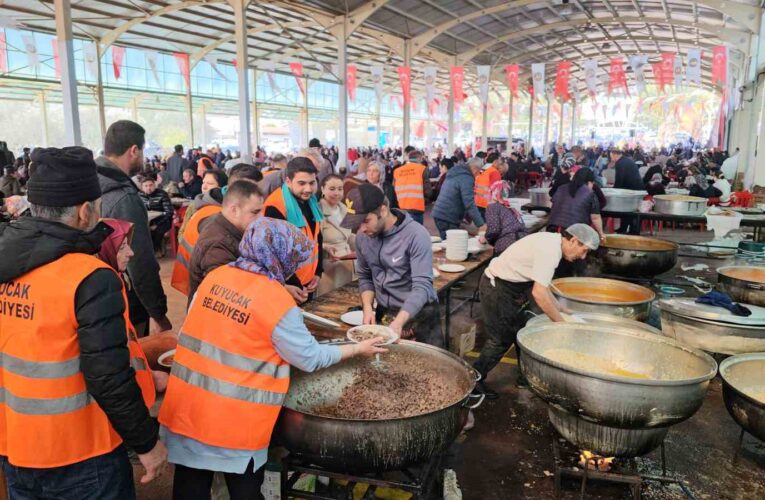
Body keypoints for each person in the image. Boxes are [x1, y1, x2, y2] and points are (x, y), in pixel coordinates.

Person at [159, 218, 385, 500]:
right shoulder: (276, 302)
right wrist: (357, 349)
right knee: (246, 493)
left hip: (187, 410)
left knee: (190, 489)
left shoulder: (215, 278)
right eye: (294, 258)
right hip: (234, 423)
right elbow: (310, 358)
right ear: (281, 256)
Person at [0, 146, 167, 497]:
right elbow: (109, 376)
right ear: (85, 210)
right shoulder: (89, 276)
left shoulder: (6, 264)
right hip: (80, 454)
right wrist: (147, 443)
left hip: (15, 447)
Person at [473, 223, 601, 398]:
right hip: (497, 287)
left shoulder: (553, 243)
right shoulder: (550, 251)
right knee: (501, 339)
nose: (583, 257)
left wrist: (560, 307)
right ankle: (474, 381)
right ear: (574, 240)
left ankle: (524, 377)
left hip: (513, 287)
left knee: (522, 332)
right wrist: (561, 323)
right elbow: (539, 294)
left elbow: (543, 284)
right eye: (584, 250)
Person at [342, 184, 443, 346]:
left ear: (382, 210)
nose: (360, 229)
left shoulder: (416, 235)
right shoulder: (363, 237)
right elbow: (365, 276)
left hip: (419, 313)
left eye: (366, 221)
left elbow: (422, 286)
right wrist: (367, 307)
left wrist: (398, 322)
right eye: (356, 223)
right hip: (384, 310)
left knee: (427, 368)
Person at [96, 120, 172, 335]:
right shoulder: (123, 198)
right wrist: (158, 312)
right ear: (133, 150)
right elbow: (139, 260)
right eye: (143, 150)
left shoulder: (90, 183)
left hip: (93, 297)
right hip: (123, 299)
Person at [188, 180, 264, 301]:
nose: (261, 217)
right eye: (255, 212)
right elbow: (228, 295)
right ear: (234, 210)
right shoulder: (217, 244)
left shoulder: (232, 229)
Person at [263, 156, 323, 304]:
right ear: (288, 181)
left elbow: (317, 237)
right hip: (289, 287)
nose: (308, 189)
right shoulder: (275, 207)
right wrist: (295, 284)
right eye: (301, 183)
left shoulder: (311, 201)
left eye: (312, 183)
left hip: (308, 282)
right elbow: (275, 254)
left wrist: (318, 272)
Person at [318, 174, 356, 296]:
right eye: (332, 189)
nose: (337, 193)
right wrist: (324, 247)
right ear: (323, 189)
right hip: (329, 265)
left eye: (340, 189)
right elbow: (311, 240)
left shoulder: (344, 208)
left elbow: (348, 236)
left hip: (347, 261)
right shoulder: (318, 211)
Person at [431, 157, 486, 240]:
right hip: (447, 216)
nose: (478, 174)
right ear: (475, 169)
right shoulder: (467, 178)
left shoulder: (457, 173)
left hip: (441, 214)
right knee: (454, 245)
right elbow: (469, 203)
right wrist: (481, 224)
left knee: (450, 244)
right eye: (479, 171)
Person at [547, 168, 605, 240]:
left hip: (552, 230)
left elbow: (552, 206)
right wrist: (601, 234)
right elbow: (595, 218)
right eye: (592, 184)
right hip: (574, 233)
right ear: (590, 182)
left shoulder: (561, 188)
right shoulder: (590, 194)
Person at [480, 180, 528, 255]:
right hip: (524, 241)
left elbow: (494, 230)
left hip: (507, 243)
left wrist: (485, 239)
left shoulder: (493, 207)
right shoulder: (511, 207)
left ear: (493, 192)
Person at [392, 150, 432, 225]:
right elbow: (428, 192)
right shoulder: (422, 169)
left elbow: (393, 189)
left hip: (400, 207)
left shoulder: (397, 171)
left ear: (408, 158)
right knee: (416, 233)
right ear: (420, 158)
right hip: (416, 207)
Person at [139, 175, 174, 253]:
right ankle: (147, 252)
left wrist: (157, 224)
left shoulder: (162, 194)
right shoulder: (139, 196)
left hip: (163, 220)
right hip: (147, 221)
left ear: (154, 185)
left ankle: (156, 250)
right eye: (146, 186)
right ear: (142, 187)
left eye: (151, 185)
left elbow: (169, 212)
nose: (148, 188)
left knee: (157, 231)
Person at [611, 149, 643, 235]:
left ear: (615, 155)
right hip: (637, 188)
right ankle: (626, 228)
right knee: (631, 209)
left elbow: (619, 179)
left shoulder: (619, 163)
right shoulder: (627, 160)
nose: (611, 159)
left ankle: (629, 230)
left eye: (611, 156)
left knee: (627, 209)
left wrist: (614, 191)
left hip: (631, 189)